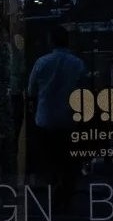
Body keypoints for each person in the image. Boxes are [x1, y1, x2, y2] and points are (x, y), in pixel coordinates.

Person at [26, 23, 88, 210]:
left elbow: (31, 90)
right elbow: (84, 92)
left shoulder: (41, 62)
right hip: (68, 118)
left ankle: (53, 191)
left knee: (49, 158)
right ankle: (65, 194)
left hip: (45, 119)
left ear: (51, 41)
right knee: (68, 159)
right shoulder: (77, 64)